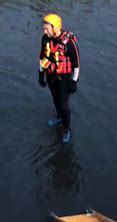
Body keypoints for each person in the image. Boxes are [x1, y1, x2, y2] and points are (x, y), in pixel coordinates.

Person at [38, 13, 80, 143]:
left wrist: (74, 81)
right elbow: (42, 57)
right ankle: (59, 117)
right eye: (44, 28)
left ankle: (66, 128)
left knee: (63, 105)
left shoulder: (69, 42)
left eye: (47, 28)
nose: (44, 31)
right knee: (55, 100)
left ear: (55, 28)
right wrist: (40, 75)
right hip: (51, 76)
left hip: (64, 79)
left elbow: (76, 64)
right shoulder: (45, 39)